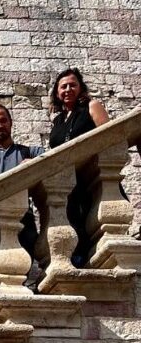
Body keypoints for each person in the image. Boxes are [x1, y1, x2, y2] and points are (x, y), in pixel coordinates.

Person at [49, 68, 111, 267]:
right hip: (68, 183)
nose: (68, 89)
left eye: (72, 85)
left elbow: (110, 137)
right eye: (63, 86)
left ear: (80, 87)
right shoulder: (57, 120)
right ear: (57, 92)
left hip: (89, 175)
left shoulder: (92, 106)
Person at [0, 104, 45, 260]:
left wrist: (34, 165)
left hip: (24, 219)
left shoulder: (32, 152)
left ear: (10, 122)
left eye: (2, 120)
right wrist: (21, 175)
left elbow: (48, 163)